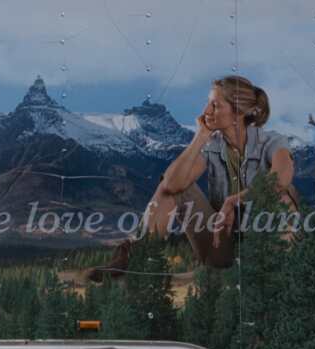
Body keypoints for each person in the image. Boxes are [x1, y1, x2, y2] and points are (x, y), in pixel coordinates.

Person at [91, 74, 297, 281]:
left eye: (215, 105)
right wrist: (200, 137)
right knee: (175, 187)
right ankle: (134, 259)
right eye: (207, 103)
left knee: (281, 197)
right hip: (220, 245)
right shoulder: (212, 146)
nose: (206, 111)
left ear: (238, 113)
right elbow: (171, 185)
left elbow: (280, 179)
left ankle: (280, 275)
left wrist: (235, 200)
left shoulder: (272, 142)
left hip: (265, 244)